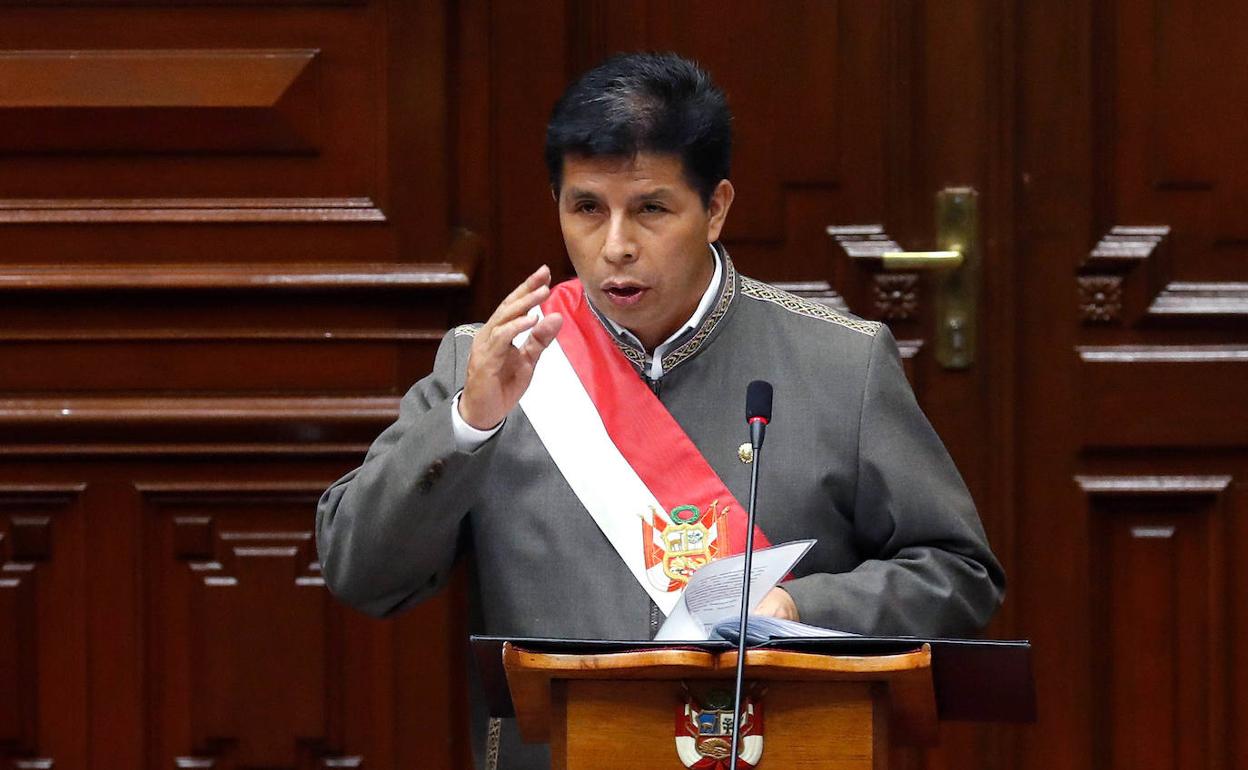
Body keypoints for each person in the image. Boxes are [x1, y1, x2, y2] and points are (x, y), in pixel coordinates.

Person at [317, 52, 1004, 769]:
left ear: (716, 208)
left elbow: (958, 575)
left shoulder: (842, 362)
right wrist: (469, 421)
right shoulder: (488, 363)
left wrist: (805, 612)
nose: (616, 246)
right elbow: (360, 575)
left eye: (650, 208)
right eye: (586, 208)